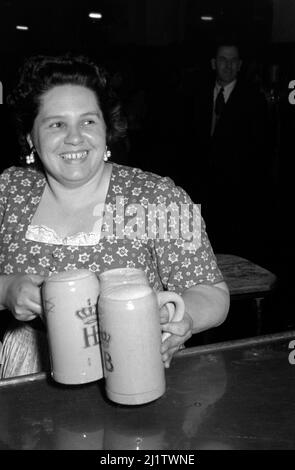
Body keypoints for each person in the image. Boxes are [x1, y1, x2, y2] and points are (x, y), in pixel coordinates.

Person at [0, 54, 229, 379]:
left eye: (88, 121)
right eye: (56, 124)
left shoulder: (158, 196)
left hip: (134, 364)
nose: (75, 137)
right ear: (30, 137)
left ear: (107, 129)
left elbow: (213, 292)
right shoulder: (9, 190)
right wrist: (6, 289)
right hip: (26, 372)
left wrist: (181, 317)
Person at [187, 39, 271, 260]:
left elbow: (260, 150)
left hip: (235, 194)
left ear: (240, 65)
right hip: (200, 192)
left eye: (233, 61)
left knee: (231, 253)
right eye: (223, 59)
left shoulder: (254, 100)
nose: (228, 65)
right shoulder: (195, 95)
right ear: (213, 63)